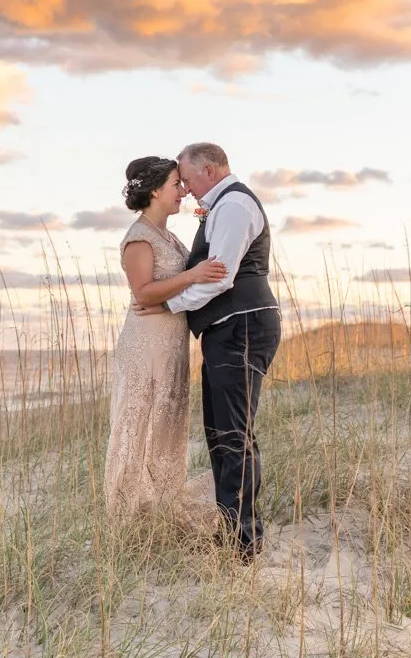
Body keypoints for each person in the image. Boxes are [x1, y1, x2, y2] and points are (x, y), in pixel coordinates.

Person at [141, 142, 280, 561]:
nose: (184, 187)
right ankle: (233, 528)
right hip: (229, 328)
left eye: (186, 177)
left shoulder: (234, 205)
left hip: (243, 326)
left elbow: (220, 277)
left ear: (210, 170)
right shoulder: (221, 206)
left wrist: (167, 305)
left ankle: (245, 542)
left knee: (234, 434)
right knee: (220, 432)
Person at [103, 156, 227, 518]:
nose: (183, 191)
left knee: (167, 421)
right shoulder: (139, 238)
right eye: (176, 184)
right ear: (155, 190)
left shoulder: (168, 236)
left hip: (171, 341)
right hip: (146, 343)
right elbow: (143, 293)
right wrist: (193, 276)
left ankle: (159, 501)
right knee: (141, 420)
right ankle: (130, 511)